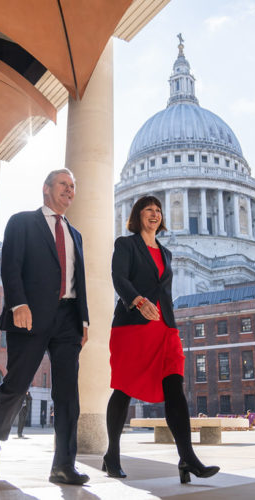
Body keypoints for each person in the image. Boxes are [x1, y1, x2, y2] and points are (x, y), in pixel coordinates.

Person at [0, 169, 90, 486]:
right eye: (63, 185)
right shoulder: (21, 221)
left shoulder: (76, 234)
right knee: (17, 382)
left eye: (73, 186)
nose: (70, 190)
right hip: (29, 314)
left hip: (68, 319)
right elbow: (11, 264)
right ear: (46, 189)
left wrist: (84, 320)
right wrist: (18, 304)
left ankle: (63, 465)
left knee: (68, 394)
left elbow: (77, 281)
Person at [103, 196, 219, 483]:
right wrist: (139, 301)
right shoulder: (125, 245)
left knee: (175, 388)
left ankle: (187, 457)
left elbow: (164, 292)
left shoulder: (167, 254)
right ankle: (112, 455)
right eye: (148, 210)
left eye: (158, 211)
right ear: (137, 215)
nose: (154, 215)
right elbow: (119, 278)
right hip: (132, 326)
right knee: (123, 388)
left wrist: (170, 321)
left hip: (165, 327)